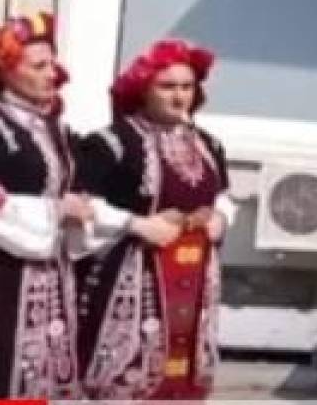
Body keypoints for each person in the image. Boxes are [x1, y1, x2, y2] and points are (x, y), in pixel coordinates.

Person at [75, 39, 235, 400]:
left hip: (195, 275)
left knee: (183, 368)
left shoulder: (208, 144)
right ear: (143, 89)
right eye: (167, 87)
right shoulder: (112, 142)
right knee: (128, 374)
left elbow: (224, 195)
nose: (179, 97)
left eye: (187, 87)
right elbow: (81, 203)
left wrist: (221, 218)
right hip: (131, 273)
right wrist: (136, 224)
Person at [0, 13, 90, 398]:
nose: (52, 74)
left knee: (38, 375)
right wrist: (54, 210)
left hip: (49, 270)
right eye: (38, 66)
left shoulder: (54, 128)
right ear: (6, 70)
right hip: (5, 271)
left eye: (52, 64)